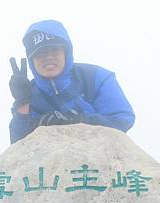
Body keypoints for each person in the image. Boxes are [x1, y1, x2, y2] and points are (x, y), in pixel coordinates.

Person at [8, 19, 136, 144]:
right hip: (48, 164)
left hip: (101, 158)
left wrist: (79, 120)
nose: (49, 57)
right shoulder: (28, 94)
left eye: (55, 50)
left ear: (66, 52)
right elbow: (18, 144)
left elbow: (122, 120)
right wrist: (22, 105)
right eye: (40, 53)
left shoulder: (97, 77)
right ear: (32, 61)